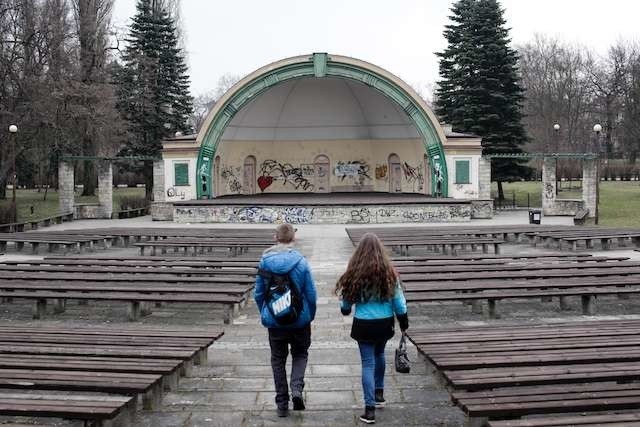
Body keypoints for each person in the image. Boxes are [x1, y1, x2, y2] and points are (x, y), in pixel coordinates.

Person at [335, 232, 409, 424]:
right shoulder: (389, 272)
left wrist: (345, 309)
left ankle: (369, 410)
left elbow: (345, 304)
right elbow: (399, 302)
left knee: (367, 363)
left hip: (363, 324)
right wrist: (403, 321)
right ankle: (379, 393)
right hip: (384, 323)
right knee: (379, 355)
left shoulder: (355, 272)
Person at [254, 223, 317, 418]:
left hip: (275, 321)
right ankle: (297, 389)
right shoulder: (301, 262)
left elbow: (259, 294)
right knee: (300, 354)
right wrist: (310, 315)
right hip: (299, 320)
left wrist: (266, 312)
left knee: (278, 360)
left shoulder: (265, 262)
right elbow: (311, 295)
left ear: (275, 238)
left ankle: (282, 404)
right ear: (293, 239)